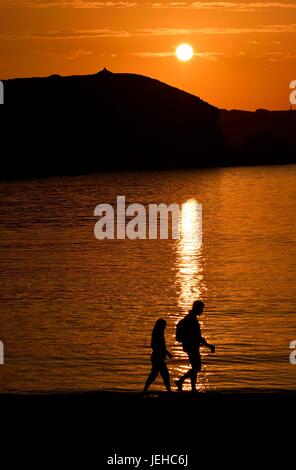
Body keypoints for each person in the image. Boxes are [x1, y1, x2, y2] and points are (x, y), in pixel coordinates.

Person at [175, 300, 215, 392]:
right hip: (191, 346)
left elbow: (197, 336)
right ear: (197, 308)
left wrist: (207, 345)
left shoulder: (190, 318)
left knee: (194, 368)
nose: (202, 311)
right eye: (201, 308)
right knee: (197, 368)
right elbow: (197, 336)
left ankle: (193, 388)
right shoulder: (191, 319)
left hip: (190, 346)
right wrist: (208, 346)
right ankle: (180, 381)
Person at [143, 318, 172, 393]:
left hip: (158, 357)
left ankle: (145, 390)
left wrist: (167, 353)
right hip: (157, 358)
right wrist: (163, 353)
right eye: (164, 326)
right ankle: (169, 391)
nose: (165, 327)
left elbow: (161, 346)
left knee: (155, 375)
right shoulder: (157, 333)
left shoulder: (159, 333)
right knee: (164, 375)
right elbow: (155, 345)